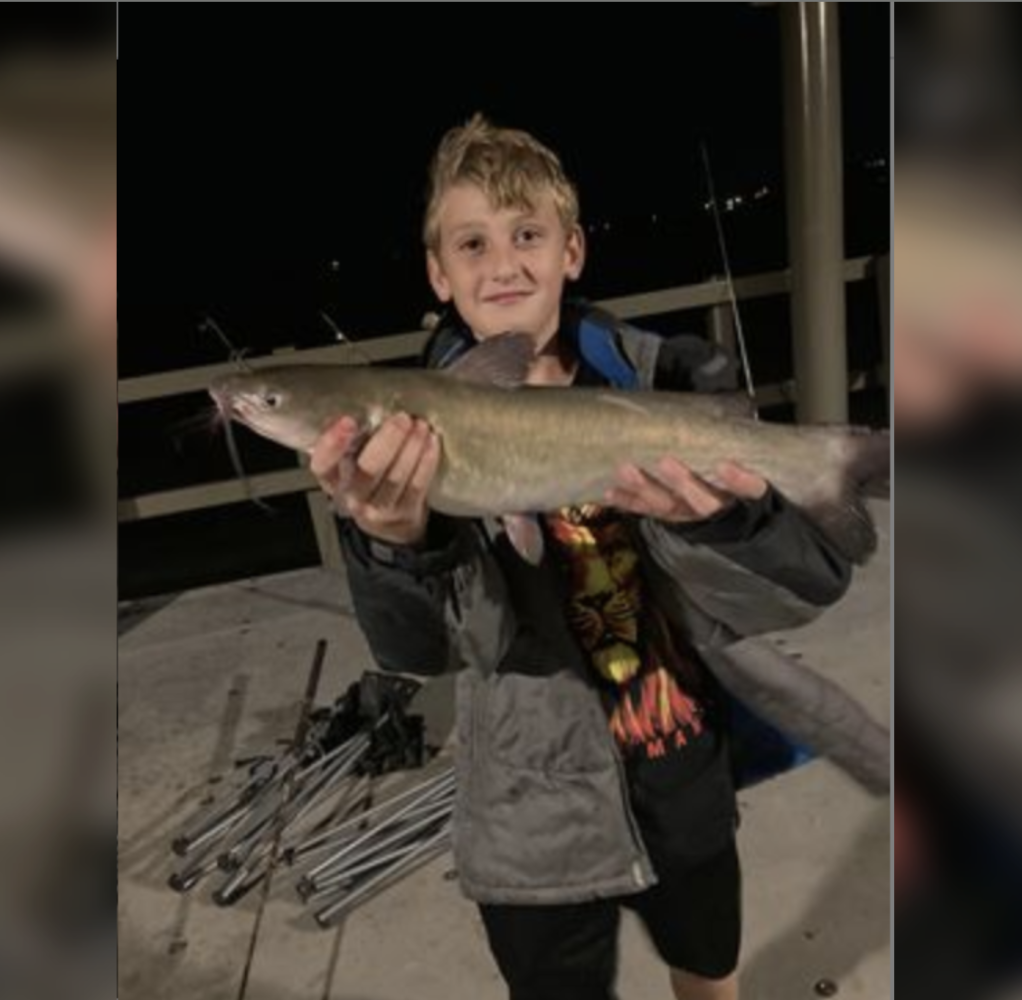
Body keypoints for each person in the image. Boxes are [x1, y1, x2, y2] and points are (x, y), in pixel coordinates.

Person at [307, 114, 872, 1000]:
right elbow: (418, 654)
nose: (503, 263)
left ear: (572, 251)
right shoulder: (404, 436)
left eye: (527, 234)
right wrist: (393, 544)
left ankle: (838, 461)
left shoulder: (674, 377)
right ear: (436, 271)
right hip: (532, 824)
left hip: (682, 777)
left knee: (709, 976)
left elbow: (811, 584)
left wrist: (720, 525)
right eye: (472, 242)